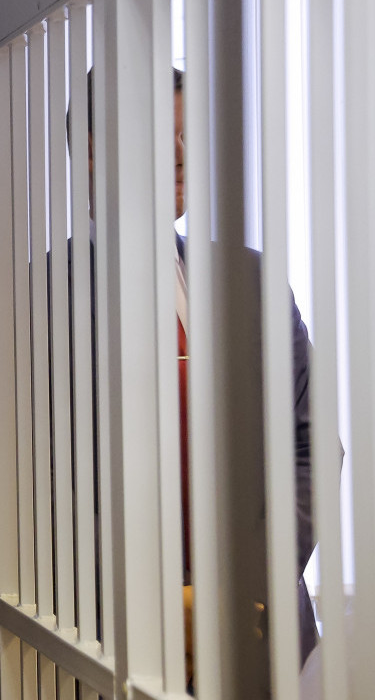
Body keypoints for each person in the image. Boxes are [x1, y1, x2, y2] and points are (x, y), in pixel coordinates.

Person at [75, 68, 319, 688]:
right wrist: (157, 605)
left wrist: (247, 586)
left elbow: (313, 446)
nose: (183, 153)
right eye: (164, 133)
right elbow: (43, 492)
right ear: (95, 152)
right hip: (109, 643)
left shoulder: (252, 280)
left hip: (258, 629)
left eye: (189, 133)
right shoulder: (33, 304)